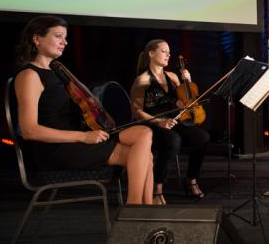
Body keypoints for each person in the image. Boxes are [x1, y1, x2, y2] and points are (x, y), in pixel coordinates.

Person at [14, 15, 155, 205]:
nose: (64, 42)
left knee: (144, 132)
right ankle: (136, 208)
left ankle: (145, 209)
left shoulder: (57, 70)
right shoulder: (29, 75)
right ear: (37, 39)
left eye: (65, 37)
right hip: (55, 149)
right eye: (58, 36)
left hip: (76, 140)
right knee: (144, 156)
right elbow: (30, 131)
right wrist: (83, 137)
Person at [130, 39, 210, 204]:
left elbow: (185, 98)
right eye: (163, 51)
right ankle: (157, 187)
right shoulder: (142, 80)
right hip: (153, 123)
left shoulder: (173, 77)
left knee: (202, 137)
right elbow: (136, 111)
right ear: (151, 53)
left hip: (174, 121)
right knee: (173, 140)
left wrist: (187, 80)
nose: (168, 55)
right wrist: (159, 122)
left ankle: (191, 180)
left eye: (169, 52)